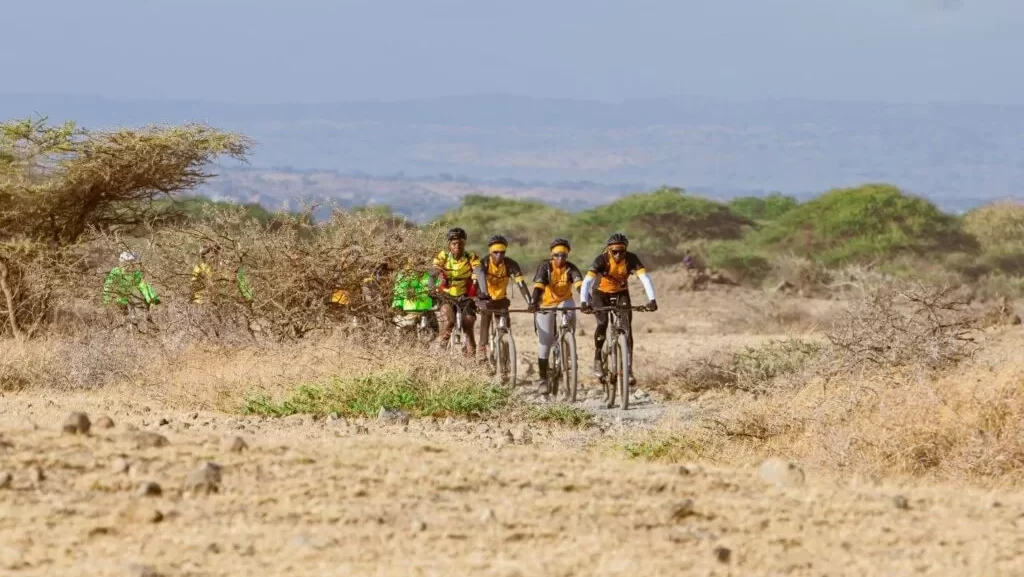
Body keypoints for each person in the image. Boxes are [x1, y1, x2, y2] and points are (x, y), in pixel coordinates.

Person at [580, 233, 658, 387]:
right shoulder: (601, 259)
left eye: (621, 251)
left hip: (621, 293)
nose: (618, 254)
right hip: (600, 293)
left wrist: (652, 300)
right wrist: (583, 301)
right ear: (609, 250)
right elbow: (588, 280)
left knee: (627, 329)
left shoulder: (631, 259)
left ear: (626, 250)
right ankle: (597, 358)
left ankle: (628, 370)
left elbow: (645, 278)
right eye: (614, 251)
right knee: (602, 323)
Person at [528, 237, 584, 394]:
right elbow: (538, 287)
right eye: (557, 255)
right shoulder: (545, 267)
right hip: (546, 304)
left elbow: (580, 285)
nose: (560, 258)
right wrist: (533, 302)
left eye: (564, 255)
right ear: (552, 255)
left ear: (567, 256)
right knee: (545, 342)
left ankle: (569, 348)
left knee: (567, 309)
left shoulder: (571, 268)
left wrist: (586, 300)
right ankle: (543, 379)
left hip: (565, 301)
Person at [473, 234, 532, 363]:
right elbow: (476, 282)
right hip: (486, 299)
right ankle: (482, 348)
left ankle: (506, 356)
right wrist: (478, 298)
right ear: (490, 252)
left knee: (505, 325)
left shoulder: (511, 264)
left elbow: (521, 284)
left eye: (502, 252)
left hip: (501, 300)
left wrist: (530, 302)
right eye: (495, 252)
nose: (499, 255)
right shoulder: (483, 263)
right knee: (486, 315)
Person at [428, 227, 482, 355]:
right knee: (448, 322)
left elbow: (479, 270)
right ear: (449, 245)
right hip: (446, 295)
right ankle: (438, 355)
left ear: (464, 243)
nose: (457, 246)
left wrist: (480, 287)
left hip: (466, 296)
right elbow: (433, 271)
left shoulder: (471, 257)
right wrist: (430, 288)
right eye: (454, 243)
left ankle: (471, 364)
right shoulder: (443, 256)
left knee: (468, 325)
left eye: (460, 243)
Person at [103, 251, 160, 332]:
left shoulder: (135, 274)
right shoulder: (116, 272)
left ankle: (145, 329)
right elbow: (108, 286)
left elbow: (144, 286)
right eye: (125, 263)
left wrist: (152, 298)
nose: (127, 265)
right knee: (120, 321)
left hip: (131, 300)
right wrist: (107, 300)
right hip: (119, 300)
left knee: (138, 313)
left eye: (130, 263)